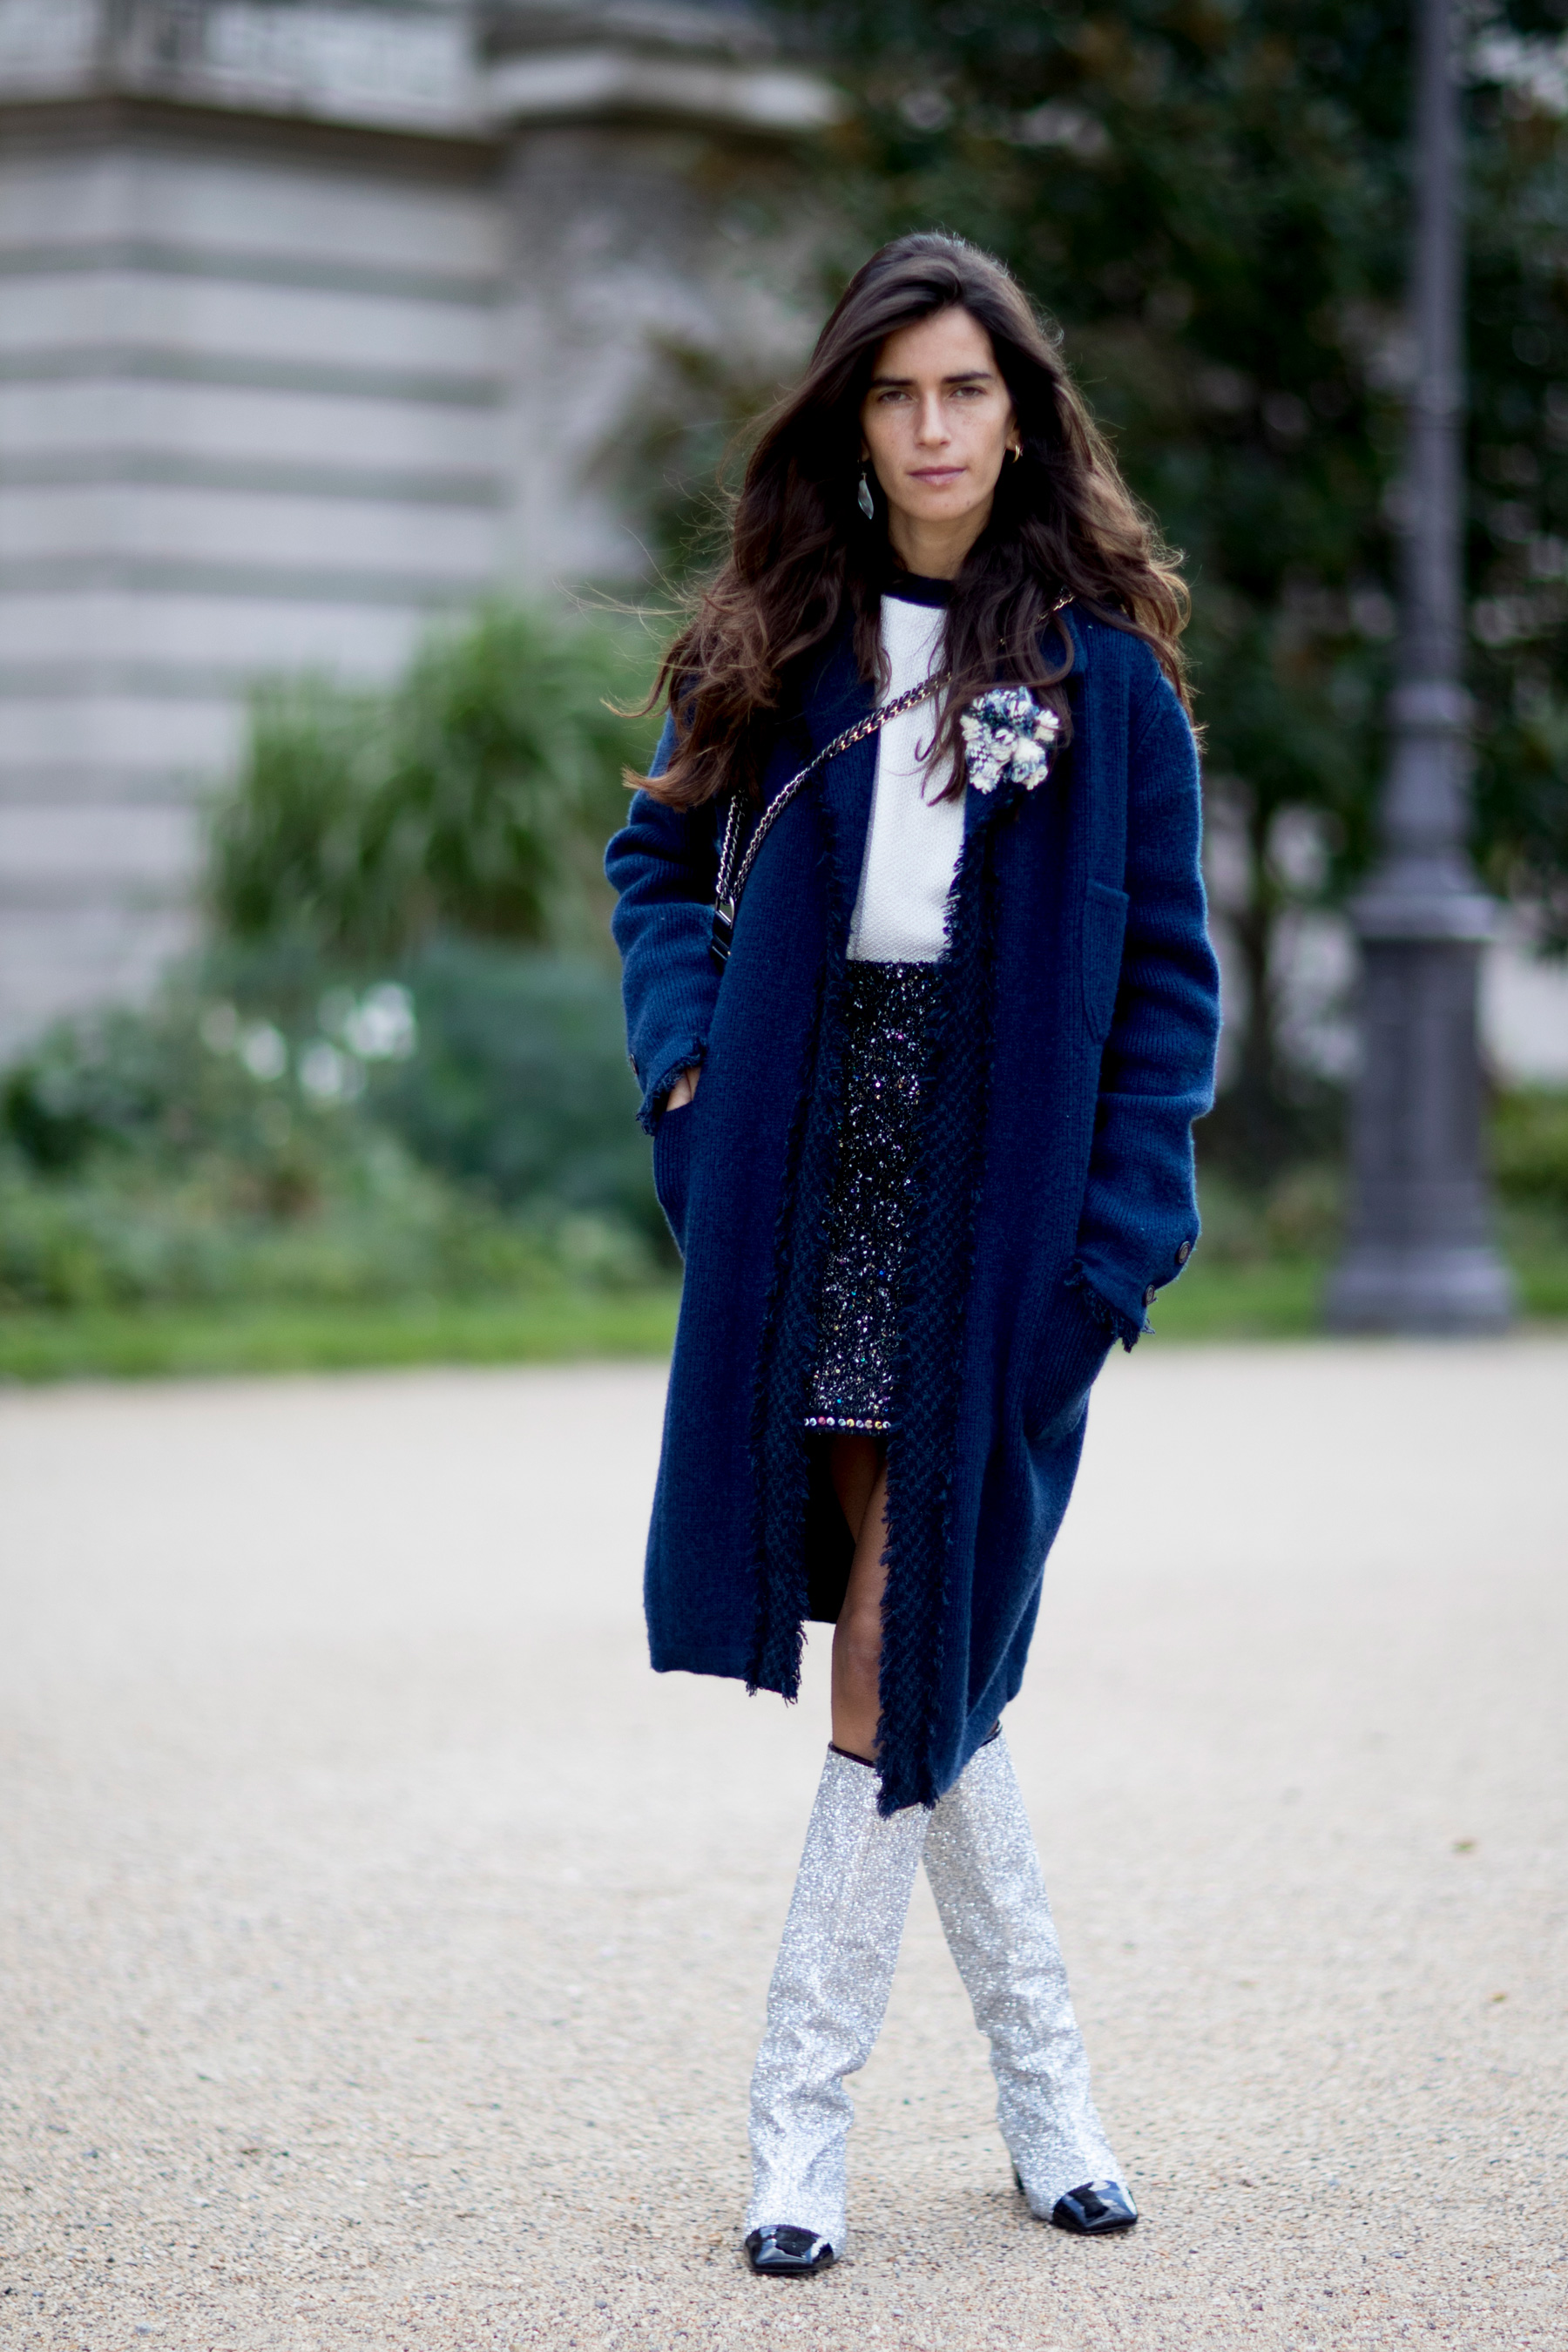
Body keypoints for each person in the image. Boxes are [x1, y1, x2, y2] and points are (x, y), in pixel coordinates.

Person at [605, 232, 1220, 2278]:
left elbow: (1169, 999)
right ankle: (1042, 2113)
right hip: (807, 1178)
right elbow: (653, 860)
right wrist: (688, 1076)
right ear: (853, 422)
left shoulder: (1111, 685)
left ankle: (814, 2132)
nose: (935, 428)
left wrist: (1114, 1260)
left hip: (1000, 1206)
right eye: (897, 393)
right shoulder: (775, 641)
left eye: (968, 390)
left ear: (1021, 417)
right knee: (917, 1631)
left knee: (910, 1630)